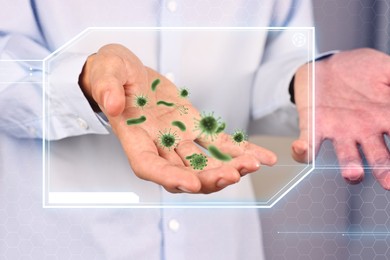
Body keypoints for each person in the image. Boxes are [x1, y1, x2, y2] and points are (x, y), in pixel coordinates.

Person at [0, 1, 389, 259]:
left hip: (220, 241)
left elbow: (275, 55)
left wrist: (304, 78)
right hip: (64, 241)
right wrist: (83, 79)